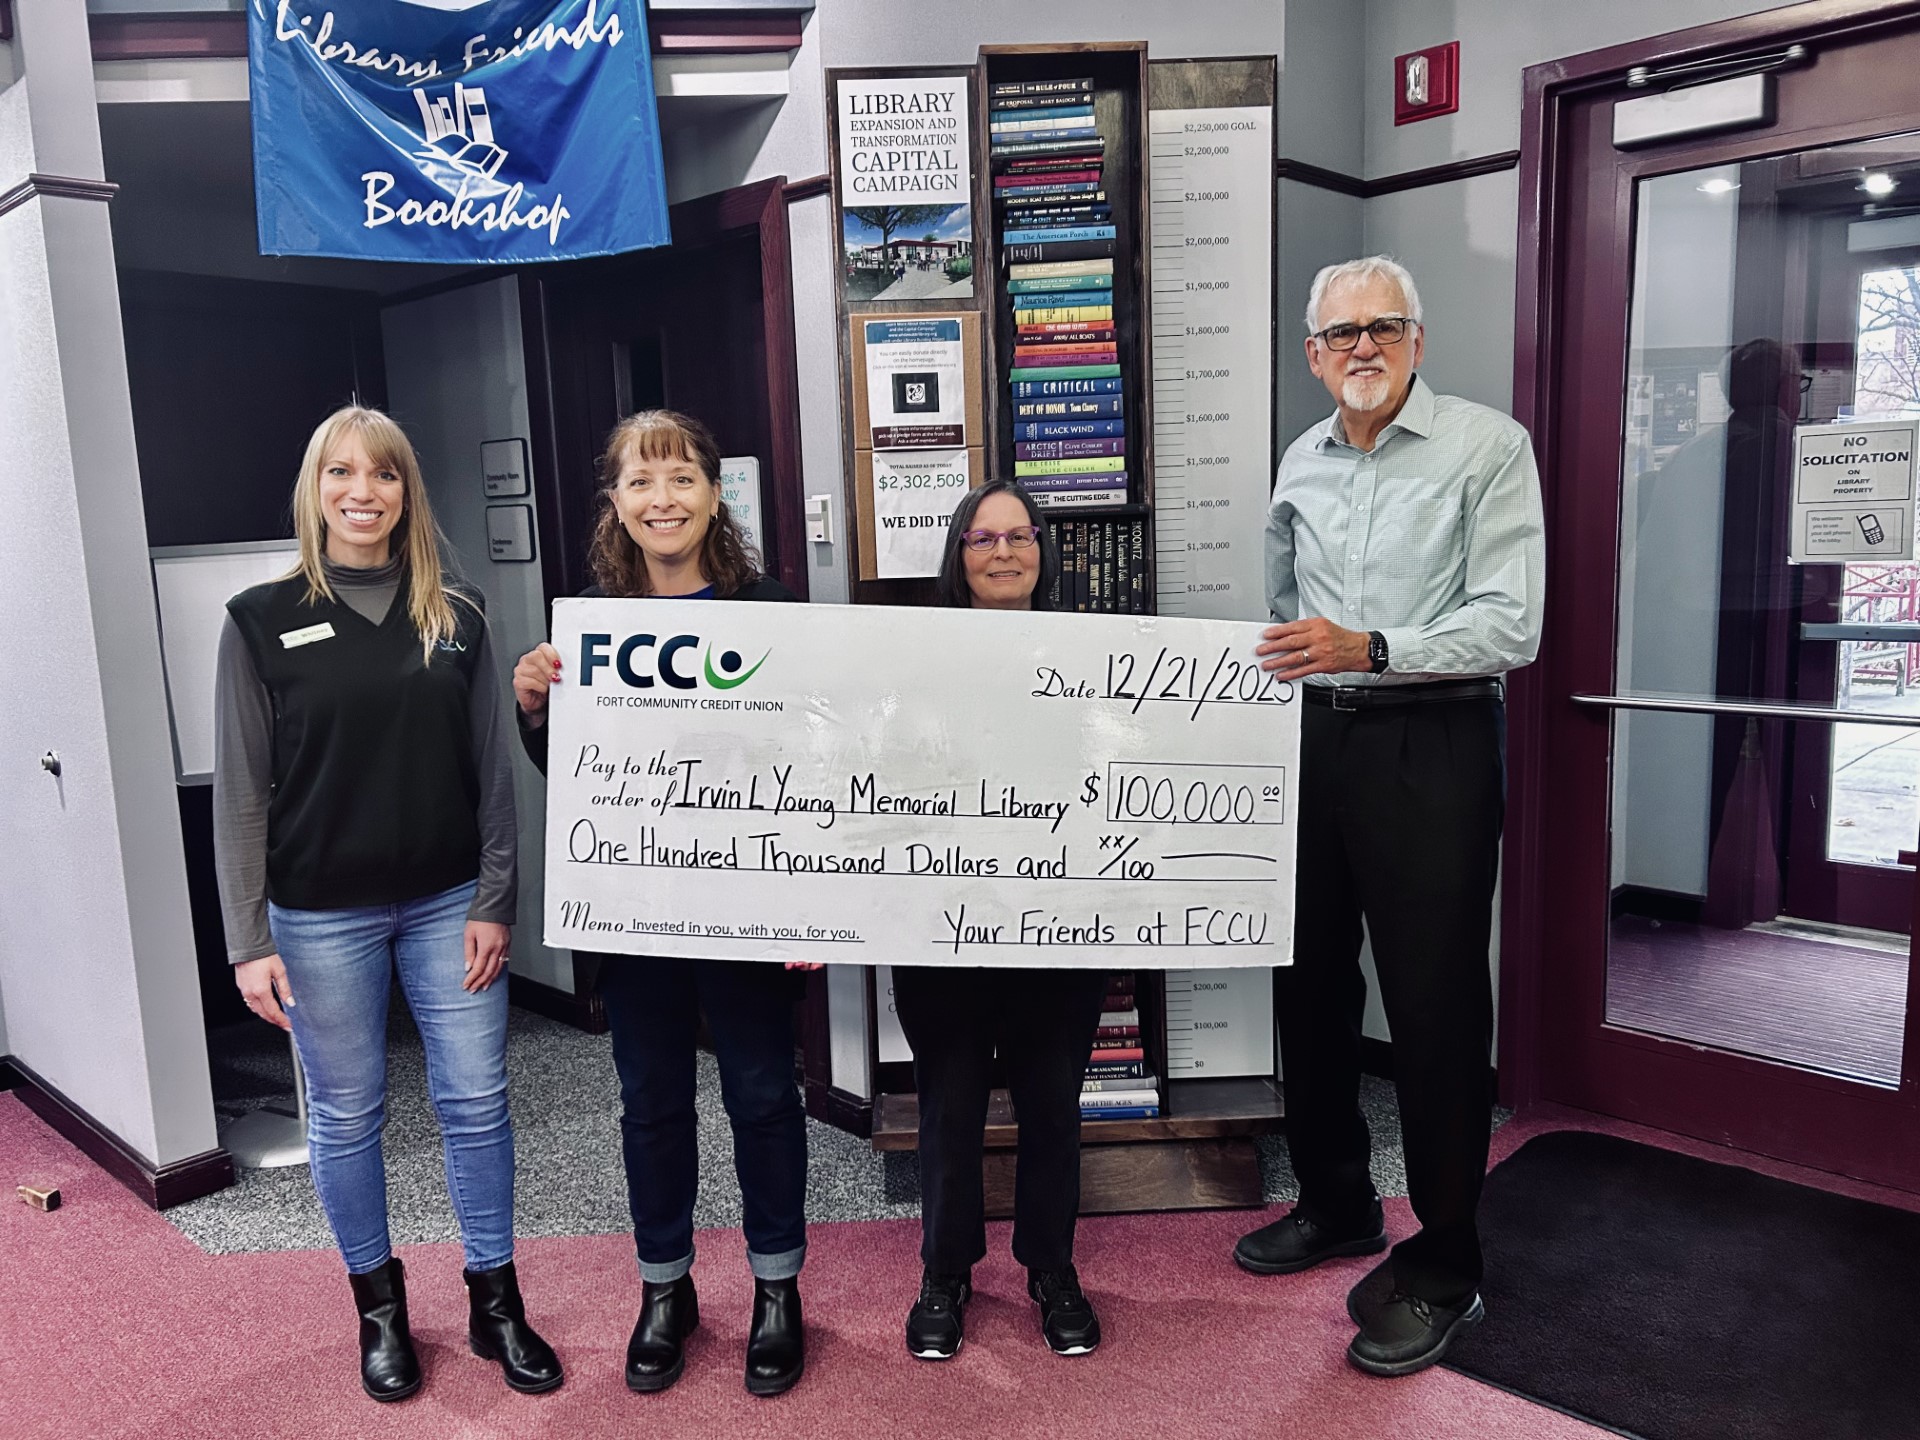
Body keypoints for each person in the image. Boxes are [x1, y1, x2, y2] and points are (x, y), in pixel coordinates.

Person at [213, 405, 562, 1402]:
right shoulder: (258, 619)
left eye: (385, 475)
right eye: (341, 474)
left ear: (408, 492)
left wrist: (498, 897)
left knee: (476, 1100)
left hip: (450, 901)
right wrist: (247, 937)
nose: (363, 492)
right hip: (321, 916)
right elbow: (242, 792)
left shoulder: (458, 613)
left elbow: (495, 771)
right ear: (315, 490)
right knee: (348, 1112)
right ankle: (378, 1308)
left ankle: (497, 1300)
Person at [1235, 256, 1544, 1377]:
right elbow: (1281, 604)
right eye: (1341, 333)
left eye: (1385, 327)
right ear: (1314, 356)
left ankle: (1448, 1262)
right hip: (1317, 735)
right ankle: (1336, 1203)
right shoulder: (1301, 459)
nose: (1363, 347)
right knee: (1306, 978)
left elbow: (1514, 624)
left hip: (1438, 738)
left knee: (1436, 1008)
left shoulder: (1487, 447)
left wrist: (1372, 648)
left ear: (1417, 343)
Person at [512, 410, 810, 1398]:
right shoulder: (593, 628)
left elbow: (819, 766)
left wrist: (816, 905)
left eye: (680, 479)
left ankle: (777, 1289)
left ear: (714, 493)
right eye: (640, 484)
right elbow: (575, 775)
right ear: (618, 504)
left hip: (750, 902)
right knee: (650, 1101)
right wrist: (536, 709)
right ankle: (665, 1288)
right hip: (635, 906)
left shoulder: (773, 614)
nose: (662, 500)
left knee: (765, 1096)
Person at [890, 479, 1111, 1362]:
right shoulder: (914, 660)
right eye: (982, 539)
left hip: (1058, 922)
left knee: (1055, 1102)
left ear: (1044, 551)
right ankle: (945, 1270)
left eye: (1020, 536)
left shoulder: (1096, 655)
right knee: (950, 1103)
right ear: (958, 555)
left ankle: (1052, 1267)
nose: (1004, 552)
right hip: (943, 923)